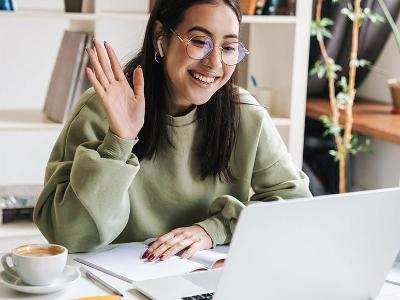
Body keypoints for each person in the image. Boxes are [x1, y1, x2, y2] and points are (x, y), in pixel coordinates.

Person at [34, 0, 312, 261]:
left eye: (228, 48)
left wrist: (215, 230)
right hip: (117, 286)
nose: (214, 64)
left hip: (208, 281)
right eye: (199, 42)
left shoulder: (245, 115)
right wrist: (120, 141)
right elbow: (69, 236)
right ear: (161, 38)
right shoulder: (101, 109)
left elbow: (297, 208)